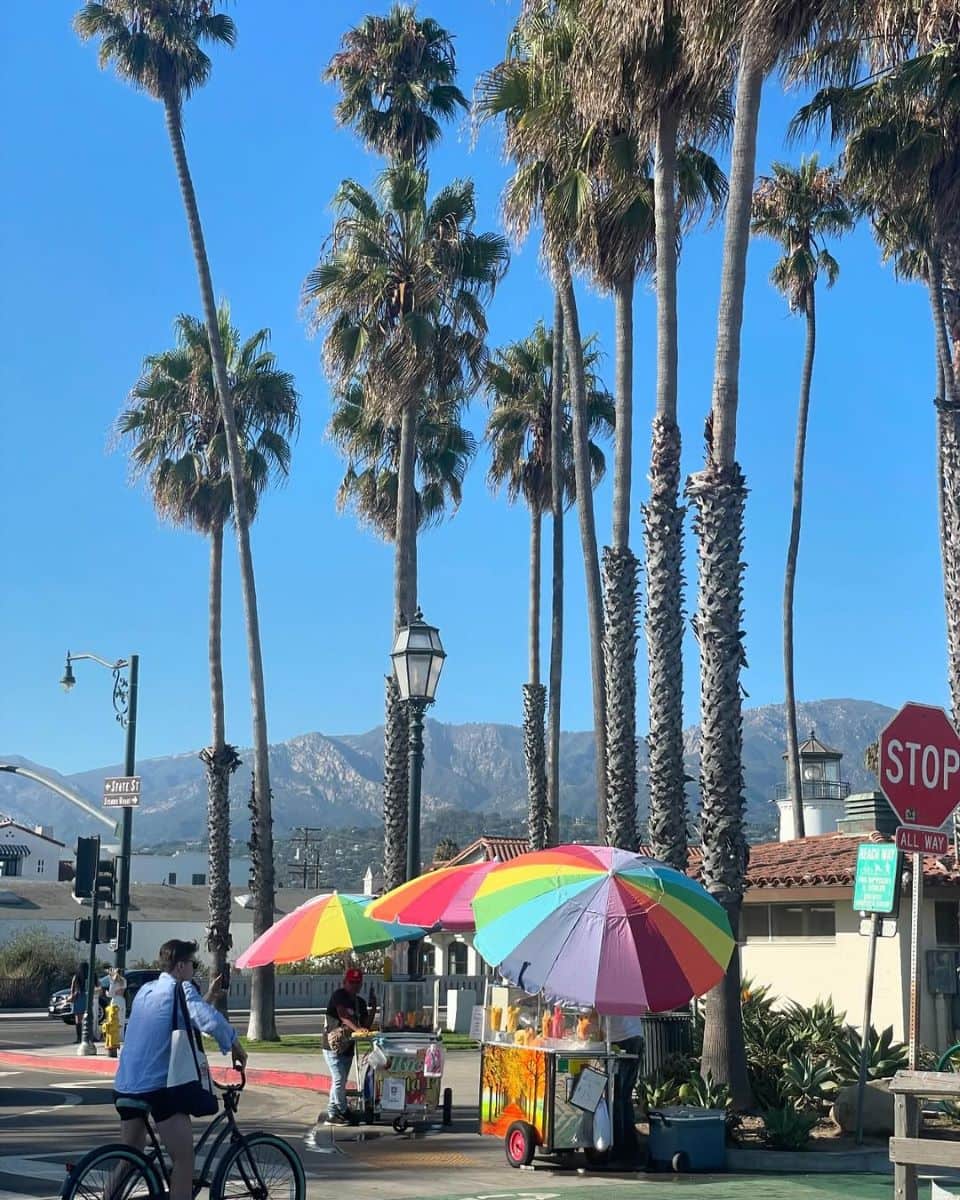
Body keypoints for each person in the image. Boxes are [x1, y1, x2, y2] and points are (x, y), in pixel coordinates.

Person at [113, 939, 247, 1200]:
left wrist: (207, 996)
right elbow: (203, 1017)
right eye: (193, 965)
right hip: (158, 1089)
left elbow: (182, 1014)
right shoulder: (182, 988)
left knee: (129, 1158)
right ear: (181, 966)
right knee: (184, 1159)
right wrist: (234, 1044)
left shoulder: (146, 990)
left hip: (125, 1086)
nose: (194, 971)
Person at [315, 966, 371, 1132]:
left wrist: (373, 1008)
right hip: (333, 1046)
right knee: (339, 1079)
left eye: (357, 983)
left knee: (340, 1080)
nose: (354, 986)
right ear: (345, 982)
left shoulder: (360, 1002)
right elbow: (343, 1016)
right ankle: (344, 1110)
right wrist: (357, 1029)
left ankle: (333, 1113)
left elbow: (365, 1025)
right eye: (351, 982)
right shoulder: (339, 995)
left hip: (348, 1048)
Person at [607, 1013, 645, 1166]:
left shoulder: (604, 990)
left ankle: (619, 1146)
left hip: (621, 1040)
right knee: (625, 1095)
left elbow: (594, 1015)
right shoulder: (626, 988)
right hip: (636, 1036)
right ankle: (630, 1146)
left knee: (616, 1096)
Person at [69, 962, 88, 1044]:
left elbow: (72, 988)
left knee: (78, 1019)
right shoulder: (88, 977)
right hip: (86, 996)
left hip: (78, 997)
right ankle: (87, 1036)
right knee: (87, 1017)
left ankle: (79, 1038)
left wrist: (71, 996)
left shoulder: (76, 977)